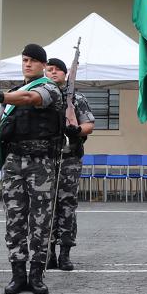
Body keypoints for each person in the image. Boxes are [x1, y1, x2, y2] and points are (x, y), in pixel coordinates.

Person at [0, 44, 64, 294]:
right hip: (14, 161)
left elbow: (32, 99)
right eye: (24, 60)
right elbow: (0, 120)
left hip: (40, 162)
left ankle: (37, 274)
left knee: (40, 219)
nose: (27, 64)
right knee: (14, 218)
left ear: (43, 65)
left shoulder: (48, 88)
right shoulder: (14, 92)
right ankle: (18, 273)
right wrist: (0, 145)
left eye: (32, 60)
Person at [44, 57, 94, 271]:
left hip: (68, 159)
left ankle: (65, 253)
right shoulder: (42, 96)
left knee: (66, 206)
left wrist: (76, 131)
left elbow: (89, 125)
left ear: (65, 74)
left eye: (57, 70)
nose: (53, 73)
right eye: (49, 70)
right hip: (46, 159)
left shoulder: (77, 98)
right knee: (46, 206)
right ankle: (48, 253)